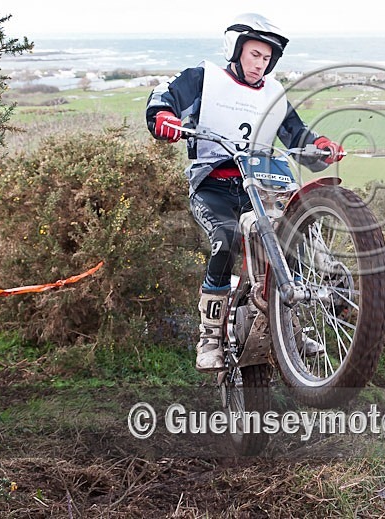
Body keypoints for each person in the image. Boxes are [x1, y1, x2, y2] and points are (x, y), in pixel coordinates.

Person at [145, 13, 344, 372]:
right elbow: (165, 98)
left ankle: (291, 329)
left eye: (267, 59)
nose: (260, 64)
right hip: (214, 184)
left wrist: (320, 146)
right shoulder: (205, 77)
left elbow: (296, 136)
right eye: (255, 55)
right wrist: (163, 117)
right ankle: (209, 336)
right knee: (226, 237)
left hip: (262, 184)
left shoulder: (274, 92)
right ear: (235, 50)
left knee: (290, 236)